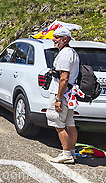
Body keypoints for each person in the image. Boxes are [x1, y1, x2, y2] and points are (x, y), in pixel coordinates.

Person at [47, 28, 79, 164]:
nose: (54, 39)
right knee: (70, 124)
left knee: (58, 124)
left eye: (56, 37)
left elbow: (63, 78)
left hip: (61, 93)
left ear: (65, 39)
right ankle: (71, 152)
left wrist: (58, 99)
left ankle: (66, 154)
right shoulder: (72, 52)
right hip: (70, 94)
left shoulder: (65, 54)